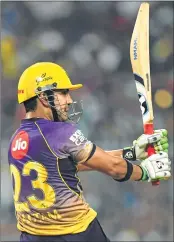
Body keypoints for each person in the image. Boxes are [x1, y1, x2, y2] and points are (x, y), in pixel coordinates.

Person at [8, 62, 171, 242]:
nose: (69, 100)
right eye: (63, 93)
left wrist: (130, 153)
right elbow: (115, 168)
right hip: (76, 232)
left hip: (32, 237)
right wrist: (146, 172)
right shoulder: (59, 132)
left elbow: (66, 166)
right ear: (44, 98)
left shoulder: (17, 138)